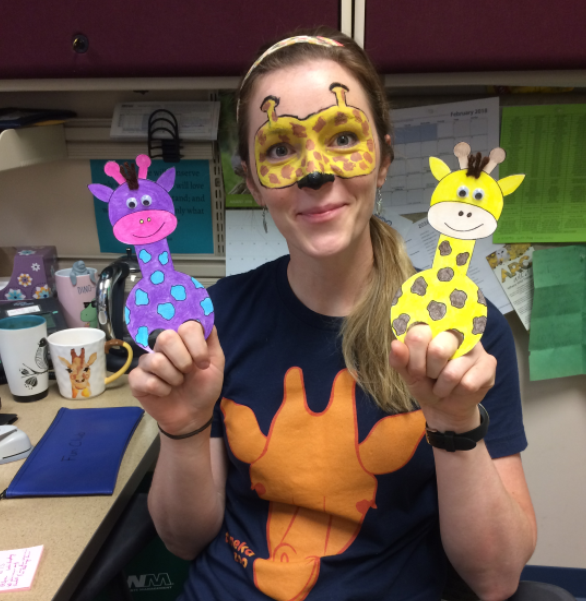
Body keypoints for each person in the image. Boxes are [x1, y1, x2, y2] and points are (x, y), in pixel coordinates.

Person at [129, 28, 537, 601]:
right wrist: (184, 427)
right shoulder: (213, 322)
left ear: (385, 160)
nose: (315, 173)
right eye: (279, 149)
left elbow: (495, 580)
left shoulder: (460, 329)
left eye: (343, 136)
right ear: (251, 182)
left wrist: (454, 425)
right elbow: (182, 540)